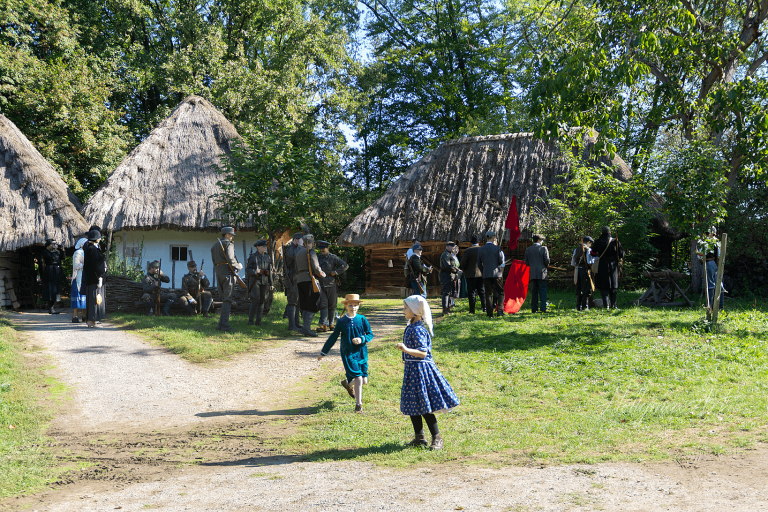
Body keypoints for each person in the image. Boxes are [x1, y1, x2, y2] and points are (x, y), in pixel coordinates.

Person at [396, 295, 459, 450]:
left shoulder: (418, 329)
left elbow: (423, 353)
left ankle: (437, 439)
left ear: (416, 312)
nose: (403, 310)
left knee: (425, 405)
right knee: (413, 404)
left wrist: (406, 350)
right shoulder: (411, 326)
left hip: (421, 371)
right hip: (412, 370)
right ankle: (419, 438)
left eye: (406, 308)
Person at [317, 294, 374, 413]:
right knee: (358, 378)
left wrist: (362, 339)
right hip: (348, 353)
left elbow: (370, 334)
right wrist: (323, 352)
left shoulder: (362, 319)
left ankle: (347, 384)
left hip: (361, 352)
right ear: (346, 306)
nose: (353, 307)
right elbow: (333, 337)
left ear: (358, 306)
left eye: (355, 305)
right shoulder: (342, 321)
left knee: (364, 381)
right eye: (350, 305)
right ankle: (359, 405)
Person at [211, 226, 243, 332]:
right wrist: (238, 266)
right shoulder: (228, 244)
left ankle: (220, 325)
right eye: (231, 235)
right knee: (227, 299)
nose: (232, 237)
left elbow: (214, 260)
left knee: (224, 300)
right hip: (228, 273)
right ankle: (224, 325)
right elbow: (230, 258)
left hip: (219, 273)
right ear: (227, 235)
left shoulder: (214, 245)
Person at [294, 234, 325, 337]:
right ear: (312, 243)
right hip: (309, 280)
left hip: (300, 280)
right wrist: (321, 274)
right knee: (313, 303)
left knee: (305, 304)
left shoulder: (298, 252)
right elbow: (316, 266)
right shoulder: (311, 252)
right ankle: (307, 328)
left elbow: (295, 267)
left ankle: (305, 328)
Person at [317, 241, 349, 332]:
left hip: (331, 284)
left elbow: (345, 265)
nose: (322, 250)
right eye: (320, 248)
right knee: (323, 304)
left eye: (324, 248)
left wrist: (336, 272)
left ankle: (331, 324)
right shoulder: (317, 258)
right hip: (320, 284)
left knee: (332, 305)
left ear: (328, 248)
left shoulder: (333, 257)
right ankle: (323, 325)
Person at [591, 226, 625, 310]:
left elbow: (592, 253)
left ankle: (606, 306)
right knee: (613, 286)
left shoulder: (598, 242)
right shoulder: (615, 241)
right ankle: (614, 305)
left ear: (602, 233)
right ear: (610, 232)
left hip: (602, 265)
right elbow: (622, 254)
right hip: (613, 265)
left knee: (603, 286)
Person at [477, 230, 506, 318]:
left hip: (486, 274)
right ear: (493, 238)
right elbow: (501, 261)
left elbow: (479, 263)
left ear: (486, 238)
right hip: (497, 274)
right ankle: (500, 311)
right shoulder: (497, 248)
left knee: (488, 294)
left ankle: (489, 313)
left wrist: (483, 271)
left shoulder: (481, 249)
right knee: (501, 292)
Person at [81, 229, 106, 328]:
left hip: (92, 277)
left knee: (95, 299)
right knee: (93, 299)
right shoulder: (92, 249)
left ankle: (93, 320)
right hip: (94, 278)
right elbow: (96, 265)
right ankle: (91, 320)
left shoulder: (91, 248)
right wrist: (99, 276)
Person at [245, 239, 273, 326]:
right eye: (263, 246)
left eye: (265, 247)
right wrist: (255, 272)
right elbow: (248, 270)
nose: (265, 248)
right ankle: (250, 321)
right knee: (255, 300)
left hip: (264, 281)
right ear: (257, 247)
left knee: (262, 300)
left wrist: (271, 283)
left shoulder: (267, 257)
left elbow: (269, 271)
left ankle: (258, 321)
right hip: (255, 281)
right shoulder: (253, 257)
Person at [283, 233, 304, 333]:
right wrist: (300, 246)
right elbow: (296, 256)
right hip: (292, 278)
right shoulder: (290, 249)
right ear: (296, 240)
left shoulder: (297, 248)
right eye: (301, 240)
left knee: (299, 301)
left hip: (298, 277)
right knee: (292, 301)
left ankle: (296, 323)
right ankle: (291, 325)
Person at [524, 234, 550, 313]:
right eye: (542, 240)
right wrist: (545, 265)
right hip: (542, 272)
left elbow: (527, 262)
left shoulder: (528, 249)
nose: (542, 242)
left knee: (534, 292)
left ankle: (534, 309)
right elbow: (547, 260)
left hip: (533, 273)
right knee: (542, 291)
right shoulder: (543, 248)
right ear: (539, 240)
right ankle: (543, 308)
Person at [460, 235, 485, 314]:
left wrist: (463, 269)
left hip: (470, 274)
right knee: (482, 291)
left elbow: (463, 262)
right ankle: (485, 308)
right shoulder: (482, 249)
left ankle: (472, 310)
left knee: (471, 293)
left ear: (471, 243)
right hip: (481, 274)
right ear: (479, 242)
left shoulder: (468, 250)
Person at [41, 238, 65, 314]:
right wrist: (55, 250)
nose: (54, 245)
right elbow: (52, 257)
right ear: (48, 245)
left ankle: (53, 307)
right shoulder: (46, 252)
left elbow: (63, 258)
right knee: (50, 288)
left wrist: (62, 250)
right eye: (52, 244)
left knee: (56, 288)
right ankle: (51, 307)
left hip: (56, 270)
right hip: (50, 270)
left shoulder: (56, 252)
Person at [571, 236, 595, 311]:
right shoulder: (588, 250)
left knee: (578, 287)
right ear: (588, 242)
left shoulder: (576, 249)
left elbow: (573, 263)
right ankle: (585, 306)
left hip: (577, 270)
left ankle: (578, 306)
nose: (590, 245)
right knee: (586, 288)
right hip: (585, 270)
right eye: (590, 243)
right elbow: (589, 262)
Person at [439, 242, 461, 315]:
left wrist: (457, 270)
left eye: (453, 246)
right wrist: (456, 271)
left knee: (448, 292)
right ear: (447, 246)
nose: (452, 248)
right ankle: (445, 310)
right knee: (446, 292)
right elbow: (448, 266)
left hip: (450, 276)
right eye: (451, 246)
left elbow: (453, 265)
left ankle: (447, 309)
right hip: (446, 276)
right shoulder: (445, 255)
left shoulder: (449, 254)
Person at [70, 237, 88, 322]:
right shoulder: (77, 253)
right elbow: (76, 265)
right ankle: (75, 316)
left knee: (84, 297)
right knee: (77, 297)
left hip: (84, 278)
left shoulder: (87, 252)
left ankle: (84, 316)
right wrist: (84, 264)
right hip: (78, 277)